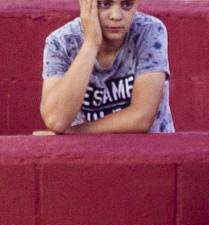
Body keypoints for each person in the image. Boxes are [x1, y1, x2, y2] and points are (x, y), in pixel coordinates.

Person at [40, 0, 173, 135]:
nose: (116, 16)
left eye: (127, 5)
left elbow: (142, 117)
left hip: (147, 152)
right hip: (89, 153)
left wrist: (73, 132)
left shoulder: (148, 30)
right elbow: (56, 120)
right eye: (105, 4)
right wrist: (91, 43)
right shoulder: (61, 42)